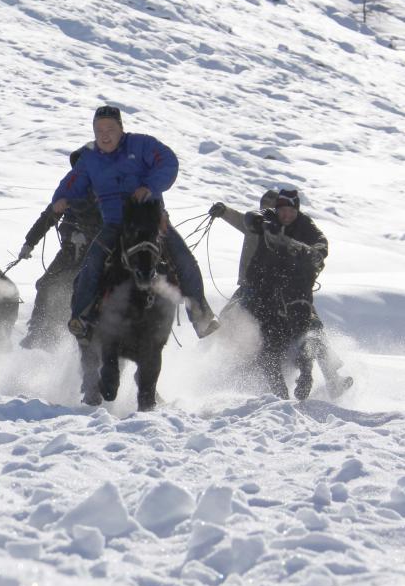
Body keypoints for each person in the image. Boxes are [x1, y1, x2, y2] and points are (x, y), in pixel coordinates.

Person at [51, 105, 218, 342]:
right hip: (115, 223)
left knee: (183, 260)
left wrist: (149, 187)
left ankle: (201, 316)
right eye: (99, 130)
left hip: (149, 220)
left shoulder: (142, 145)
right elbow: (72, 182)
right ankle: (81, 317)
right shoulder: (89, 158)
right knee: (92, 263)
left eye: (110, 128)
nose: (104, 135)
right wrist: (60, 199)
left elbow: (168, 162)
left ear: (121, 128)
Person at [211, 188, 352, 395]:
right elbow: (248, 218)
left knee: (314, 324)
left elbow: (320, 242)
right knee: (230, 317)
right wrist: (224, 211)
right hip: (255, 285)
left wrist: (313, 253)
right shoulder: (261, 223)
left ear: (296, 210)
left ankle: (332, 376)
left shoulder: (304, 226)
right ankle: (228, 363)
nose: (285, 214)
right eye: (279, 210)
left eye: (289, 210)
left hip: (292, 288)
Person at [18, 149, 102, 350]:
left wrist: (90, 235)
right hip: (67, 254)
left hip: (96, 257)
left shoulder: (105, 195)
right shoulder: (67, 195)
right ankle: (36, 332)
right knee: (45, 284)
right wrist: (29, 243)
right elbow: (47, 218)